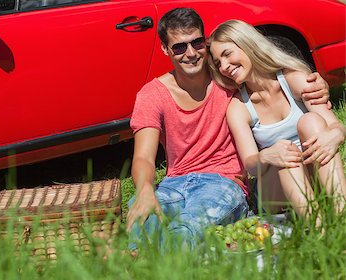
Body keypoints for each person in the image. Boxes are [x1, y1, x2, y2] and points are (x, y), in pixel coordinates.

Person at [125, 8, 331, 252]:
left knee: (188, 226)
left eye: (197, 43)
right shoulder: (153, 94)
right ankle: (136, 264)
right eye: (179, 47)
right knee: (143, 210)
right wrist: (146, 190)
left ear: (205, 41)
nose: (190, 54)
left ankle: (155, 267)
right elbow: (143, 158)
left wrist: (317, 86)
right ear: (165, 49)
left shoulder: (227, 79)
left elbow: (269, 74)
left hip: (223, 182)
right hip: (173, 184)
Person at [208, 20, 345, 221]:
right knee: (284, 152)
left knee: (311, 121)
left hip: (314, 172)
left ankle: (341, 214)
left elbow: (335, 126)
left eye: (227, 54)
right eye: (218, 62)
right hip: (276, 188)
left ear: (247, 44)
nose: (225, 67)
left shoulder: (294, 79)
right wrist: (269, 155)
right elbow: (250, 164)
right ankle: (317, 229)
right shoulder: (239, 107)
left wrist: (335, 135)